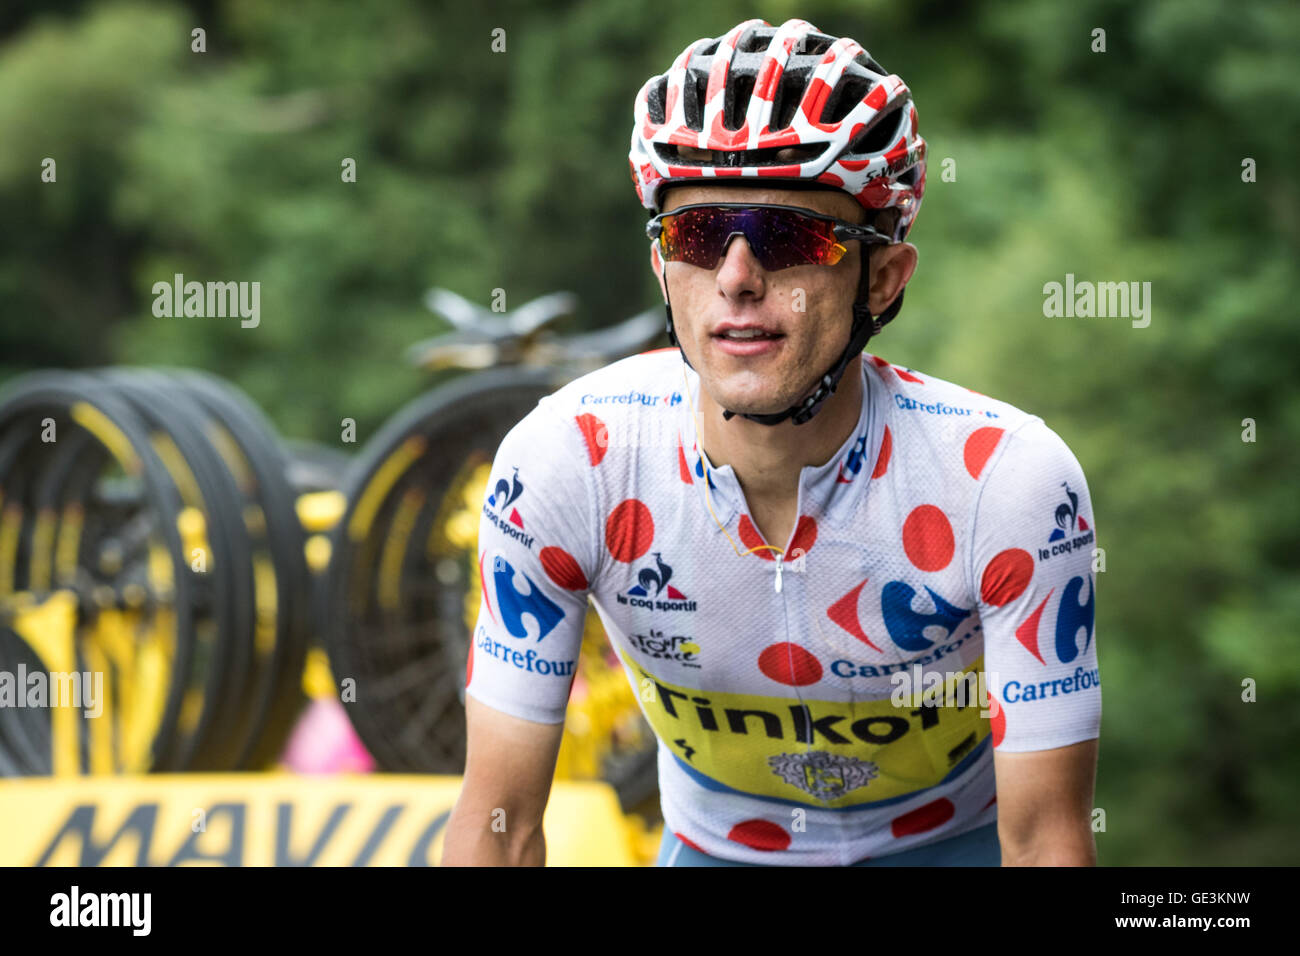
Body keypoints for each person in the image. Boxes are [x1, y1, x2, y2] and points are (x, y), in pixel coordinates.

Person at [442, 17, 1100, 867]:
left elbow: (1046, 842)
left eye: (788, 236)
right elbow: (500, 825)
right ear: (662, 271)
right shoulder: (569, 463)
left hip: (955, 845)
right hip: (718, 850)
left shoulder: (1004, 482)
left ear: (884, 278)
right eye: (699, 234)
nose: (737, 277)